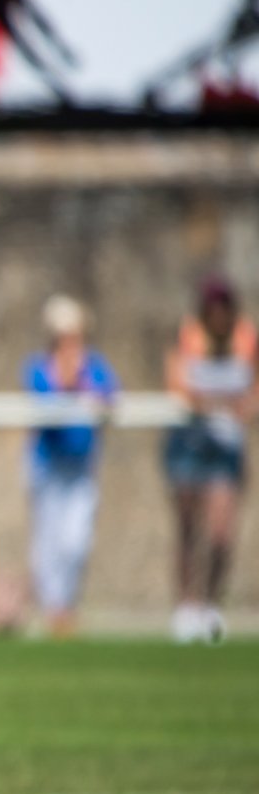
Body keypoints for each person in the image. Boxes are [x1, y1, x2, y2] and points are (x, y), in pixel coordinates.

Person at [163, 275, 257, 643]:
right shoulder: (188, 336)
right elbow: (176, 384)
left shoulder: (246, 339)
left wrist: (243, 408)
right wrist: (210, 404)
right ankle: (185, 606)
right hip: (188, 444)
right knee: (188, 529)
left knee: (221, 532)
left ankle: (211, 605)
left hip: (226, 448)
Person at [23, 296, 119, 638]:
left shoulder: (95, 366)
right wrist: (67, 376)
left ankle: (68, 603)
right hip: (48, 464)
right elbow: (42, 399)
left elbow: (109, 398)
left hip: (81, 464)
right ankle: (54, 611)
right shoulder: (37, 366)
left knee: (76, 540)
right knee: (48, 540)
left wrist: (81, 378)